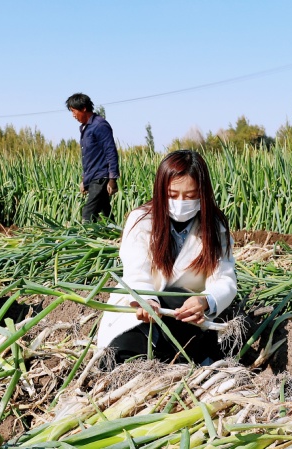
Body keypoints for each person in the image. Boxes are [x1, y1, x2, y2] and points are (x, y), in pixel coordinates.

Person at [96, 150, 237, 365]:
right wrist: (146, 300)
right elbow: (136, 271)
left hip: (186, 313)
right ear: (161, 191)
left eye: (190, 196)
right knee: (119, 357)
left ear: (203, 193)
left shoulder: (214, 228)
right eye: (172, 195)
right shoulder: (141, 221)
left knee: (187, 306)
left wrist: (206, 300)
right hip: (142, 311)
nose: (181, 202)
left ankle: (191, 358)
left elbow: (225, 278)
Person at [65, 93, 120, 223]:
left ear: (84, 108)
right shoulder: (85, 128)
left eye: (74, 111)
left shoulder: (100, 125)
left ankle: (84, 240)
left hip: (101, 177)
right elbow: (89, 158)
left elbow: (111, 151)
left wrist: (112, 179)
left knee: (88, 214)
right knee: (105, 212)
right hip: (93, 177)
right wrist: (85, 179)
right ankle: (117, 237)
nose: (73, 115)